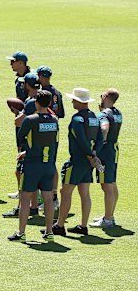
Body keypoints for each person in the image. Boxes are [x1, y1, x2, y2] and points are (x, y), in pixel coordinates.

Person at [48, 88, 104, 236]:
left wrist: (89, 154)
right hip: (88, 164)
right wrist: (94, 154)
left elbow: (81, 139)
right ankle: (83, 225)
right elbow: (100, 139)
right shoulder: (94, 117)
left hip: (77, 161)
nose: (72, 101)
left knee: (65, 193)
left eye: (74, 99)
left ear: (79, 101)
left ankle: (59, 225)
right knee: (85, 193)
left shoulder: (77, 119)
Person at [8, 90, 58, 242]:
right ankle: (49, 232)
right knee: (48, 198)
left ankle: (21, 232)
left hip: (32, 164)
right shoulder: (54, 120)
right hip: (48, 163)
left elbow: (21, 137)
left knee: (25, 198)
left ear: (36, 102)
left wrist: (26, 151)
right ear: (49, 103)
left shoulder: (30, 120)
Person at [4, 72, 41, 218]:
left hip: (29, 142)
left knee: (21, 173)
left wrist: (17, 112)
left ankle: (21, 207)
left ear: (27, 85)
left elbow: (19, 121)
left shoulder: (31, 102)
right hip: (41, 142)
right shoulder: (43, 97)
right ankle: (34, 207)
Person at [90, 88, 122, 229]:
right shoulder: (117, 113)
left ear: (106, 96)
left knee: (106, 185)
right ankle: (110, 215)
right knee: (112, 183)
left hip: (105, 152)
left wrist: (97, 148)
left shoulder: (103, 115)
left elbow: (104, 128)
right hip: (114, 150)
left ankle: (108, 219)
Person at [37, 66, 63, 211]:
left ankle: (51, 198)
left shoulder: (43, 93)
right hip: (54, 130)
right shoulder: (57, 92)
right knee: (50, 162)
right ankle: (48, 197)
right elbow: (61, 113)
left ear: (41, 77)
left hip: (43, 130)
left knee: (46, 162)